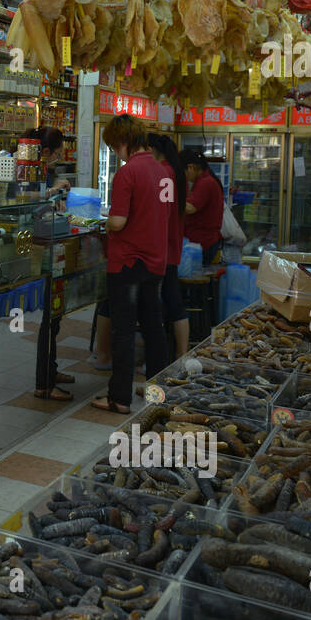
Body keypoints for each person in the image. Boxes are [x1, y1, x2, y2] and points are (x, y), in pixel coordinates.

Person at [92, 115, 169, 413]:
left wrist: (107, 225)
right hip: (156, 261)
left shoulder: (127, 173)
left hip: (128, 263)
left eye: (114, 146)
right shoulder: (163, 172)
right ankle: (157, 393)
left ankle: (119, 398)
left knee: (123, 330)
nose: (114, 152)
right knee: (153, 327)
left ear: (122, 142)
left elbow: (119, 221)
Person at [32, 127, 74, 400]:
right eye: (57, 153)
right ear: (46, 151)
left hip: (49, 242)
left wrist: (56, 200)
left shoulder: (43, 168)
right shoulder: (24, 167)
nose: (58, 158)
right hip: (36, 248)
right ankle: (44, 383)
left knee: (55, 313)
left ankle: (52, 367)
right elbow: (23, 200)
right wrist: (51, 192)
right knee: (49, 315)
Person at [149, 133, 190, 358]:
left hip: (163, 245)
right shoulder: (175, 171)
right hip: (172, 242)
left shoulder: (164, 172)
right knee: (172, 297)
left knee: (169, 301)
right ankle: (180, 354)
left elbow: (162, 212)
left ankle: (178, 355)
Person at [182, 148, 225, 264]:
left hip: (203, 243)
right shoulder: (205, 180)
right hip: (203, 241)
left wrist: (169, 200)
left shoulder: (205, 183)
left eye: (183, 173)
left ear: (190, 168)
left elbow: (190, 208)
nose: (184, 177)